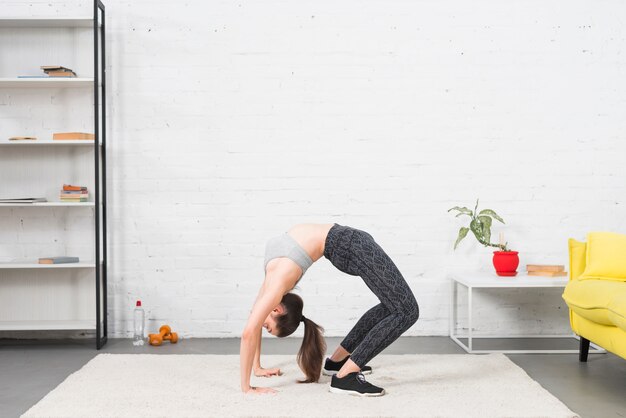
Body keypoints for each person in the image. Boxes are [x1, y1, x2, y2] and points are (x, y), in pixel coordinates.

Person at [240, 223, 419, 397]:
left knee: (404, 310)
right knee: (403, 308)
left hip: (350, 245)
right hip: (348, 243)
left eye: (268, 327)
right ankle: (343, 371)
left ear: (278, 310)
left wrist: (247, 388)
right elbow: (252, 325)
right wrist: (257, 367)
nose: (263, 325)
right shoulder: (272, 279)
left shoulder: (275, 286)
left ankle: (340, 368)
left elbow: (248, 332)